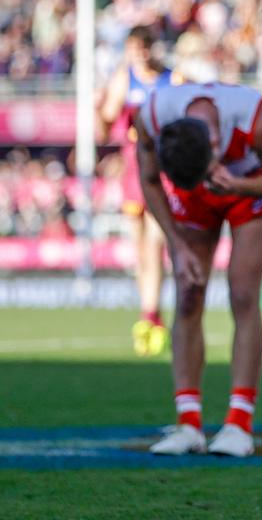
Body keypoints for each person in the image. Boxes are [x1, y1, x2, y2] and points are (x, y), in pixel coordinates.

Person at [134, 82, 262, 457]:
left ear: (215, 142)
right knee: (188, 294)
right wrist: (176, 243)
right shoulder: (152, 117)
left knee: (242, 294)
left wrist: (236, 183)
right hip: (194, 204)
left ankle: (239, 423)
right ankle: (188, 423)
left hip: (250, 186)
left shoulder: (256, 119)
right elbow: (147, 179)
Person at [96, 25, 178, 356]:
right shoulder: (123, 79)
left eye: (145, 47)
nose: (141, 54)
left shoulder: (172, 80)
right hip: (134, 171)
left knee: (157, 242)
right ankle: (149, 314)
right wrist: (98, 108)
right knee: (140, 248)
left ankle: (152, 316)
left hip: (165, 172)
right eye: (135, 48)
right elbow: (105, 126)